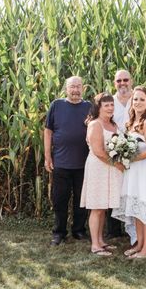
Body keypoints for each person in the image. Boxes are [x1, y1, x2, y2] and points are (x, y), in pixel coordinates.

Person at [112, 87, 146, 258]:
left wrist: (134, 158)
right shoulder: (130, 123)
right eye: (135, 99)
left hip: (145, 169)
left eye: (142, 99)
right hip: (133, 171)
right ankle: (139, 245)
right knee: (137, 210)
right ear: (131, 101)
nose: (138, 102)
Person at [44, 76, 92, 246]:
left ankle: (79, 230)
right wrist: (47, 156)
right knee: (60, 199)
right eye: (72, 87)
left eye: (78, 86)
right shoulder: (56, 105)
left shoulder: (89, 107)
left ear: (83, 89)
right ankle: (59, 232)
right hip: (61, 162)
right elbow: (48, 131)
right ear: (66, 89)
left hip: (83, 163)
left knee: (81, 200)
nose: (75, 90)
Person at [80, 93, 125, 256]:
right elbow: (98, 151)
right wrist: (118, 163)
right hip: (98, 168)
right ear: (99, 107)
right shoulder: (95, 124)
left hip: (110, 168)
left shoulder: (113, 124)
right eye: (106, 105)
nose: (110, 108)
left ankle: (101, 241)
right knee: (97, 207)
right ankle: (95, 245)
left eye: (112, 105)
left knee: (103, 206)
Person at [105, 69, 134, 239]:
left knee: (133, 189)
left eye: (125, 80)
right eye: (118, 81)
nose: (122, 83)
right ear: (114, 83)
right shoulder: (110, 102)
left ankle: (134, 228)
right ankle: (113, 231)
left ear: (131, 81)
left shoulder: (138, 99)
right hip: (114, 153)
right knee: (114, 189)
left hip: (136, 152)